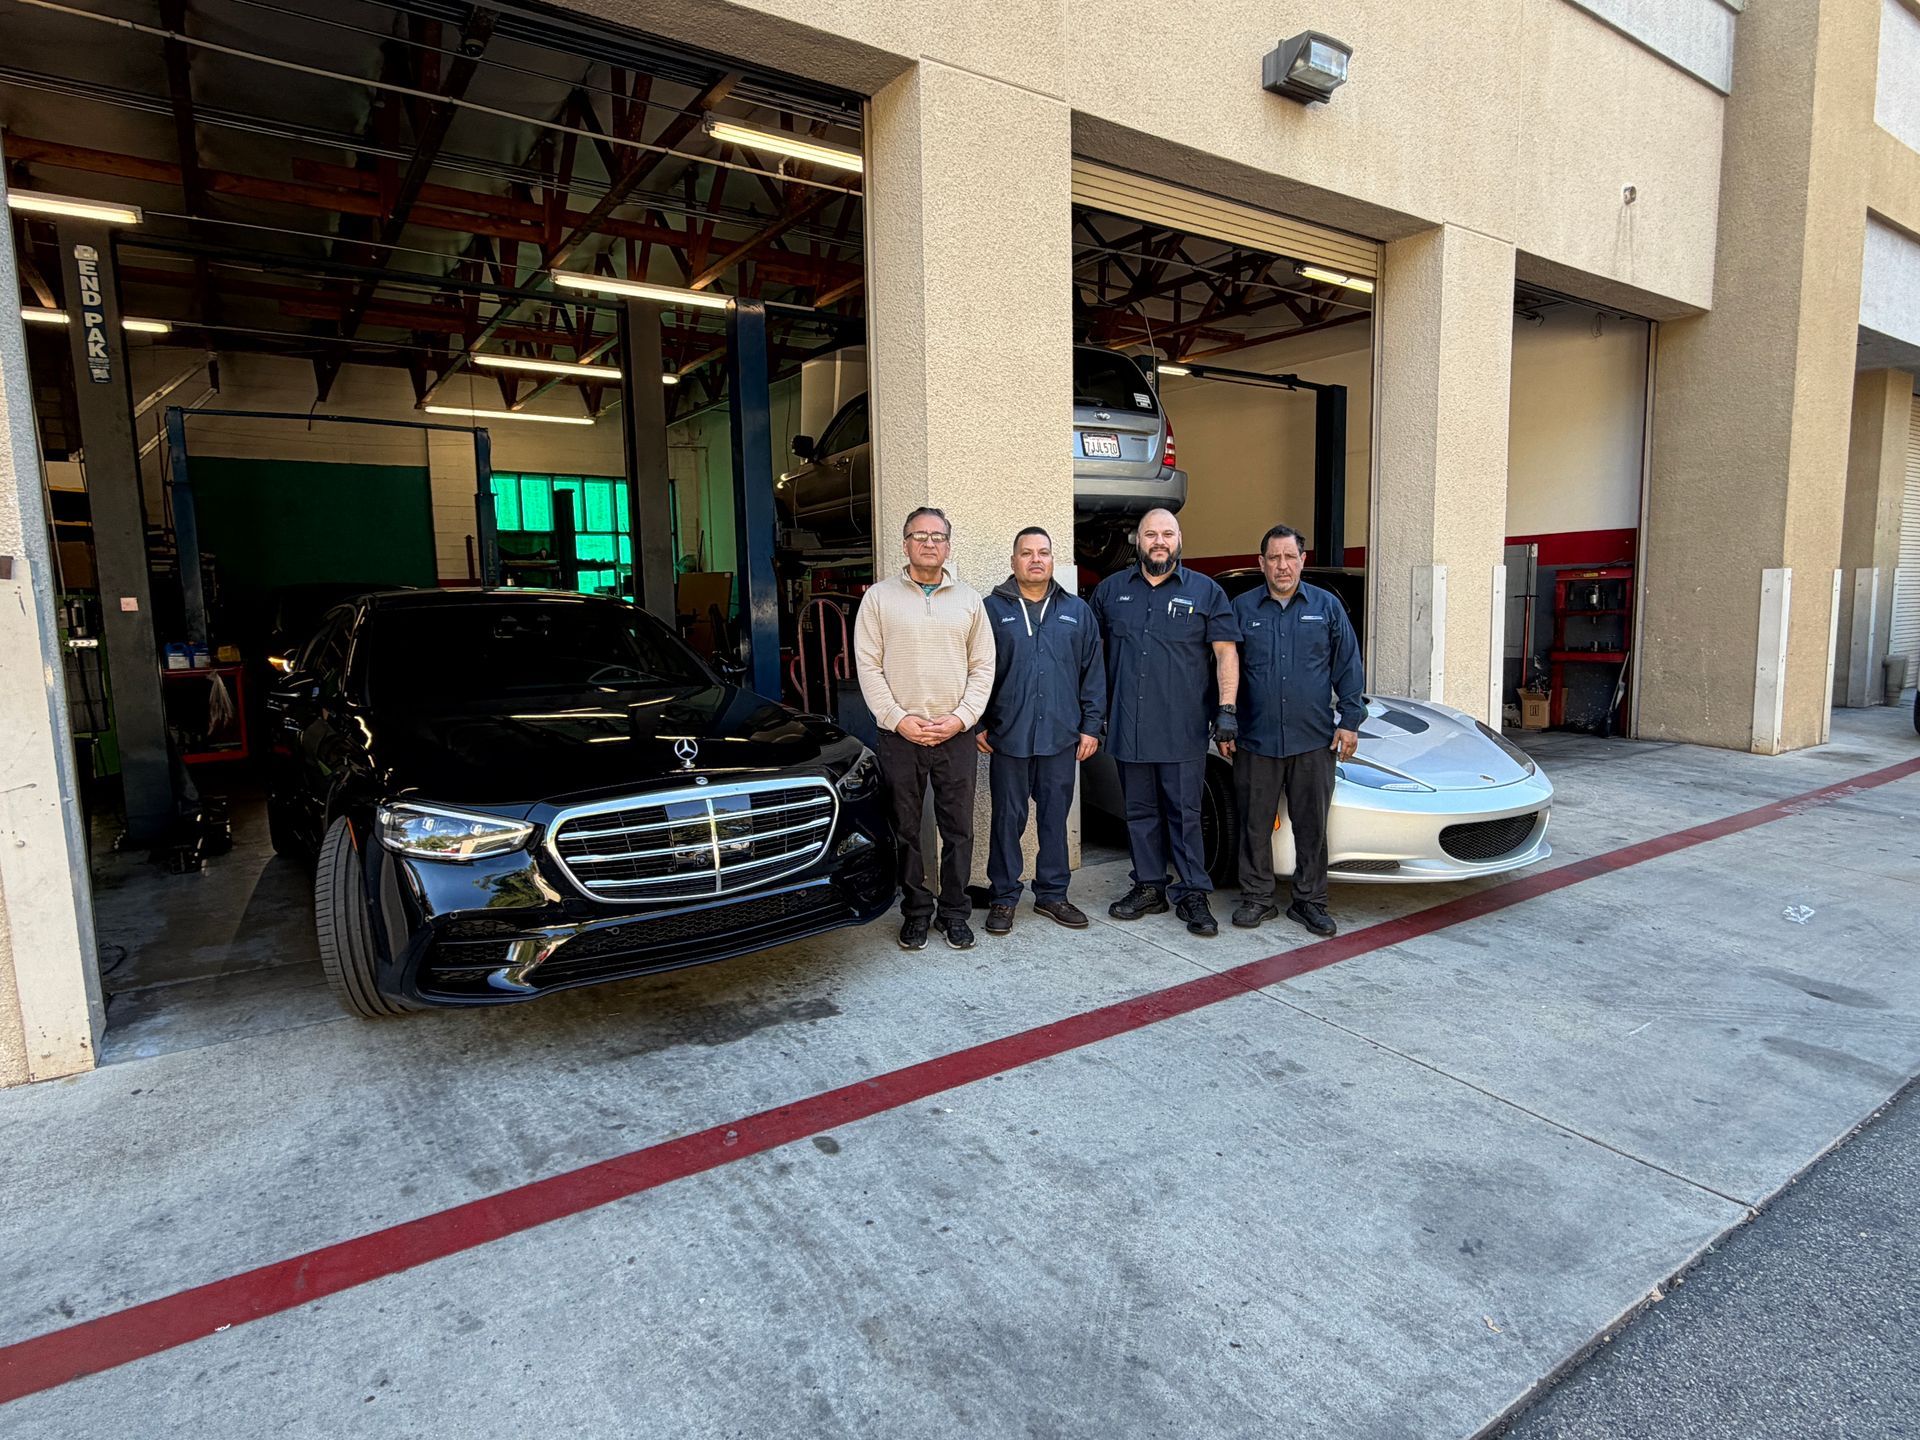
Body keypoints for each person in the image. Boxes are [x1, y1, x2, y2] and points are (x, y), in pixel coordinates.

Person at [1088, 507, 1240, 937]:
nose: (1159, 541)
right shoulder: (1110, 592)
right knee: (1139, 813)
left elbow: (1226, 652)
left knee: (1184, 814)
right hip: (1128, 727)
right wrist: (1092, 713)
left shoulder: (1206, 592)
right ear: (1137, 540)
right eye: (1150, 534)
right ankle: (1150, 886)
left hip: (1183, 728)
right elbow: (1090, 656)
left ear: (1179, 540)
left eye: (1167, 534)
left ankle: (1193, 892)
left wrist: (1226, 710)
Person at [853, 507, 996, 951]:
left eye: (938, 537)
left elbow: (983, 667)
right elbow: (868, 667)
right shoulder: (878, 598)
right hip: (900, 736)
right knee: (906, 829)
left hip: (955, 736)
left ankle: (954, 911)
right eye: (920, 536)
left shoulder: (970, 600)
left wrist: (961, 719)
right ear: (905, 544)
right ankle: (915, 911)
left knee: (959, 830)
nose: (929, 543)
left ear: (948, 546)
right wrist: (899, 719)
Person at [1220, 523, 1365, 938]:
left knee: (1311, 825)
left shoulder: (1327, 607)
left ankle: (1310, 901)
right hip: (1255, 738)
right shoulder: (1242, 609)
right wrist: (1224, 719)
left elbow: (1348, 666)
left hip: (1313, 739)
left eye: (1290, 557)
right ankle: (1257, 898)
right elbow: (1225, 669)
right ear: (1261, 563)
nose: (1282, 566)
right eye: (1274, 558)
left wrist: (1350, 721)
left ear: (1303, 560)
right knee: (1254, 823)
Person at [977, 527, 1107, 935]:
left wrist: (1091, 726)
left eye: (1044, 552)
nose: (1036, 559)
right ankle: (1002, 896)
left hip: (1060, 737)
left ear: (1053, 560)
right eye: (1027, 553)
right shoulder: (990, 610)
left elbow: (1093, 674)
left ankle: (1052, 895)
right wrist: (978, 722)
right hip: (1008, 737)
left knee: (1054, 818)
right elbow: (976, 671)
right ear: (1013, 560)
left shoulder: (1077, 611)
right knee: (1007, 820)